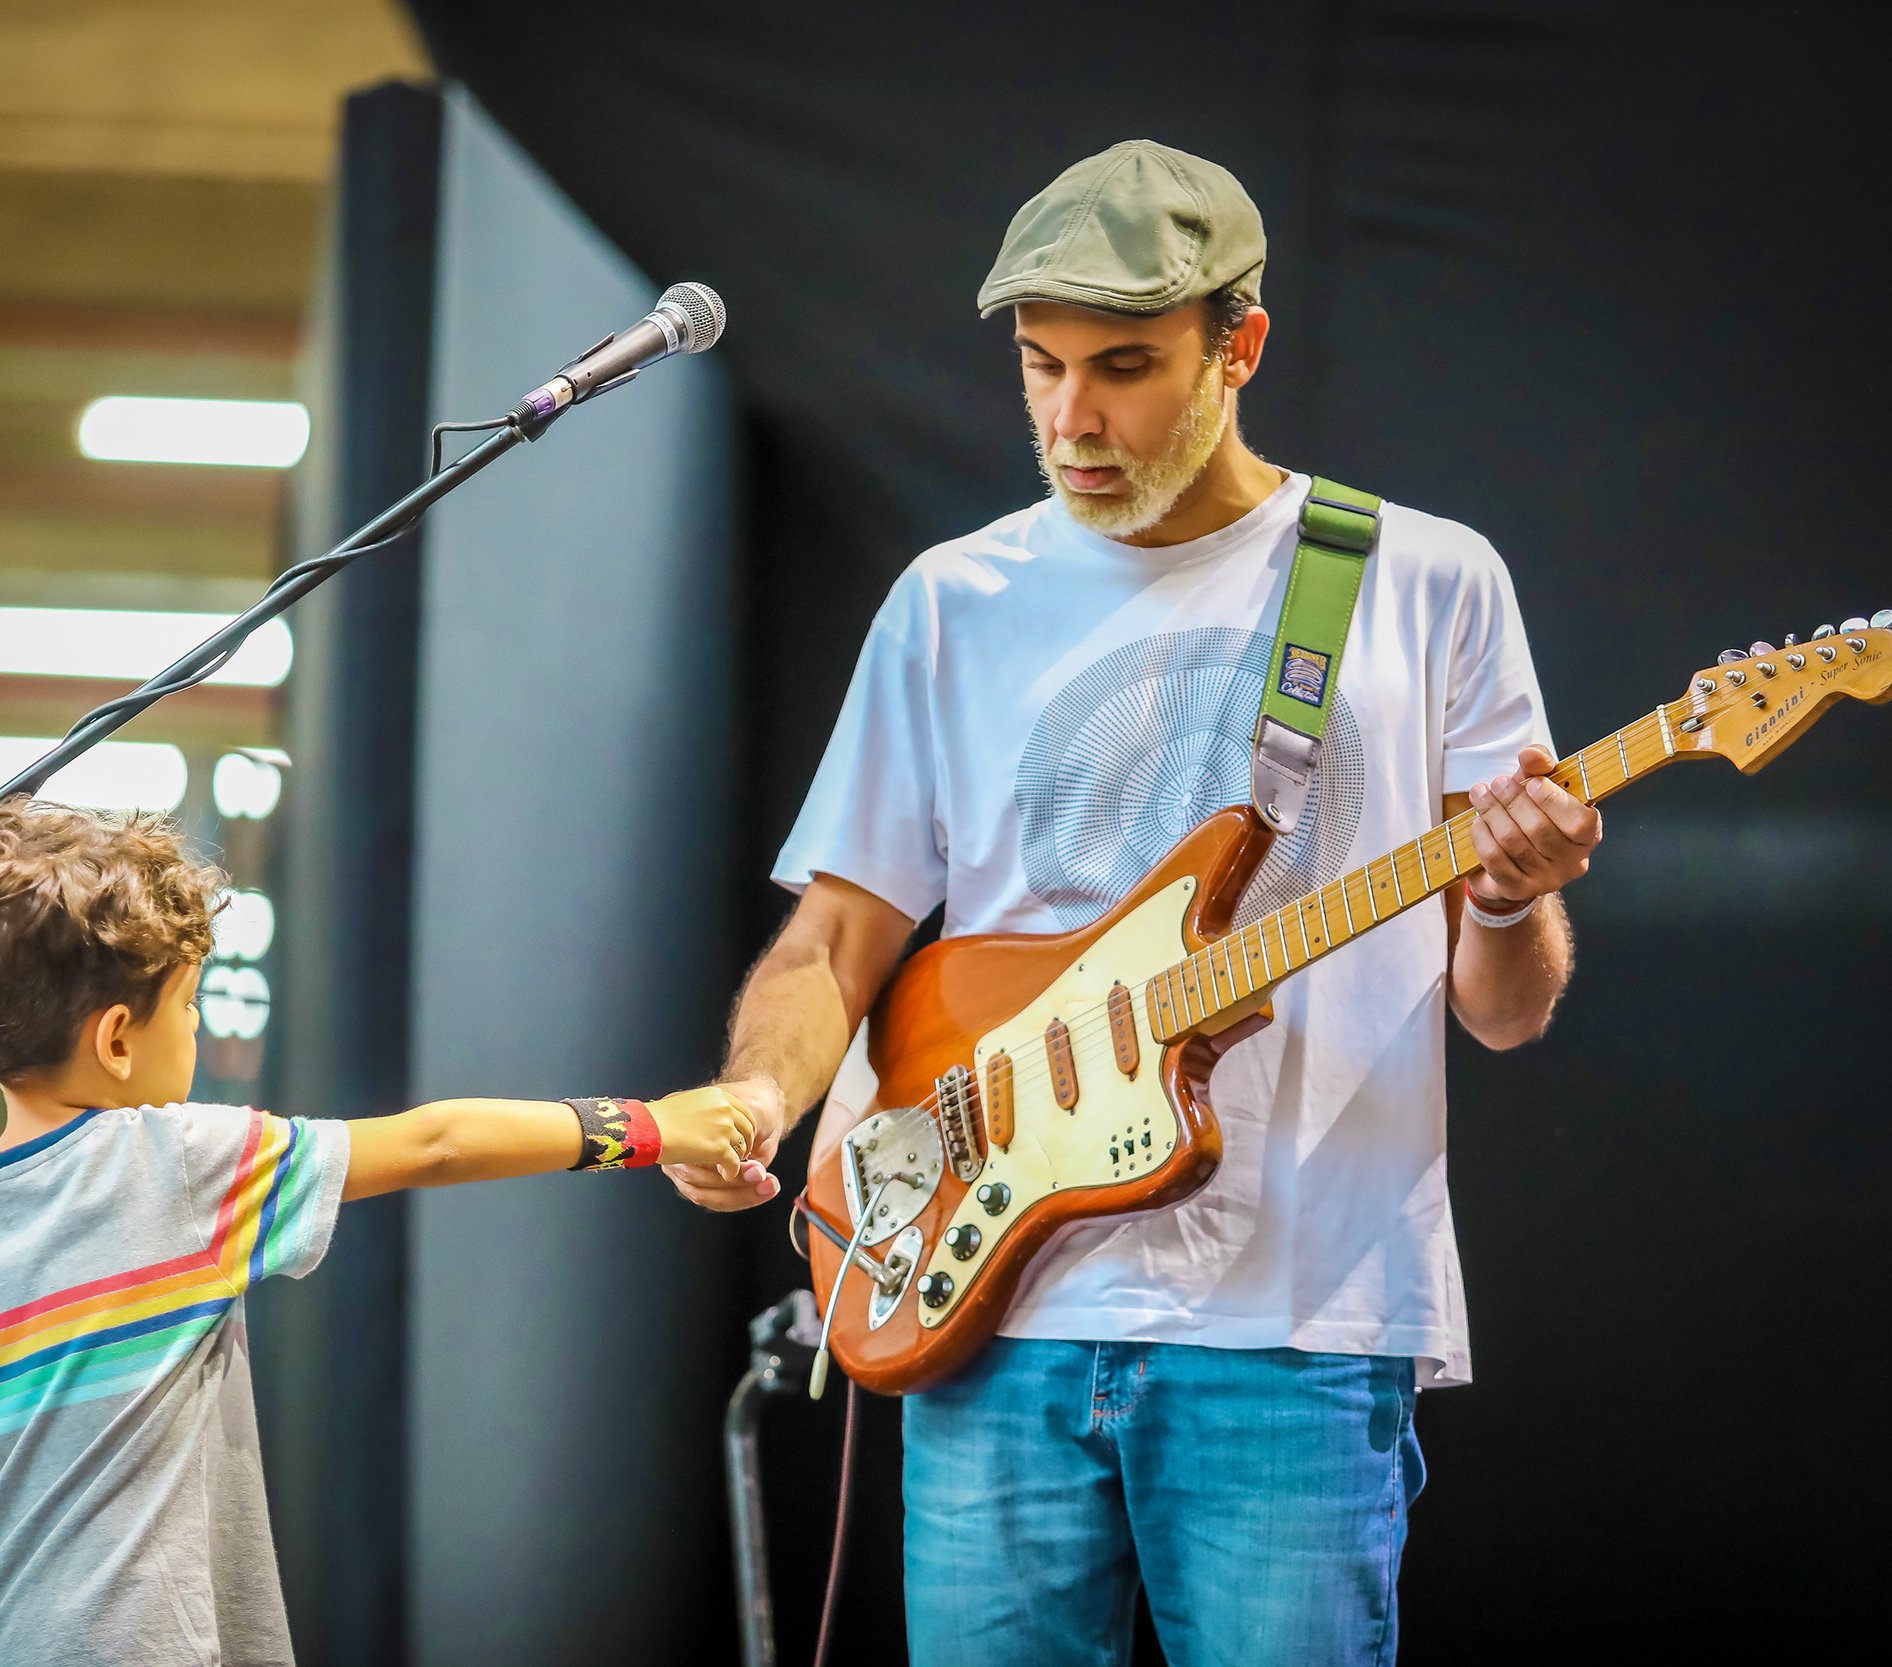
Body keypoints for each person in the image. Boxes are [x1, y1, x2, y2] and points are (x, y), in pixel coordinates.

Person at [668, 141, 1602, 1666]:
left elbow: (1506, 1009)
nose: (1069, 418)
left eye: (1122, 367)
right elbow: (836, 935)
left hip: (1295, 1332)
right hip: (987, 1306)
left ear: (1239, 347)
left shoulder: (1419, 582)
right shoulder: (951, 599)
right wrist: (755, 1094)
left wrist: (1507, 897)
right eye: (1039, 368)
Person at [0, 799, 755, 1667]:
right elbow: (434, 1143)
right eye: (188, 1005)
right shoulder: (173, 1164)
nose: (193, 1028)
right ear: (115, 1039)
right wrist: (653, 1125)